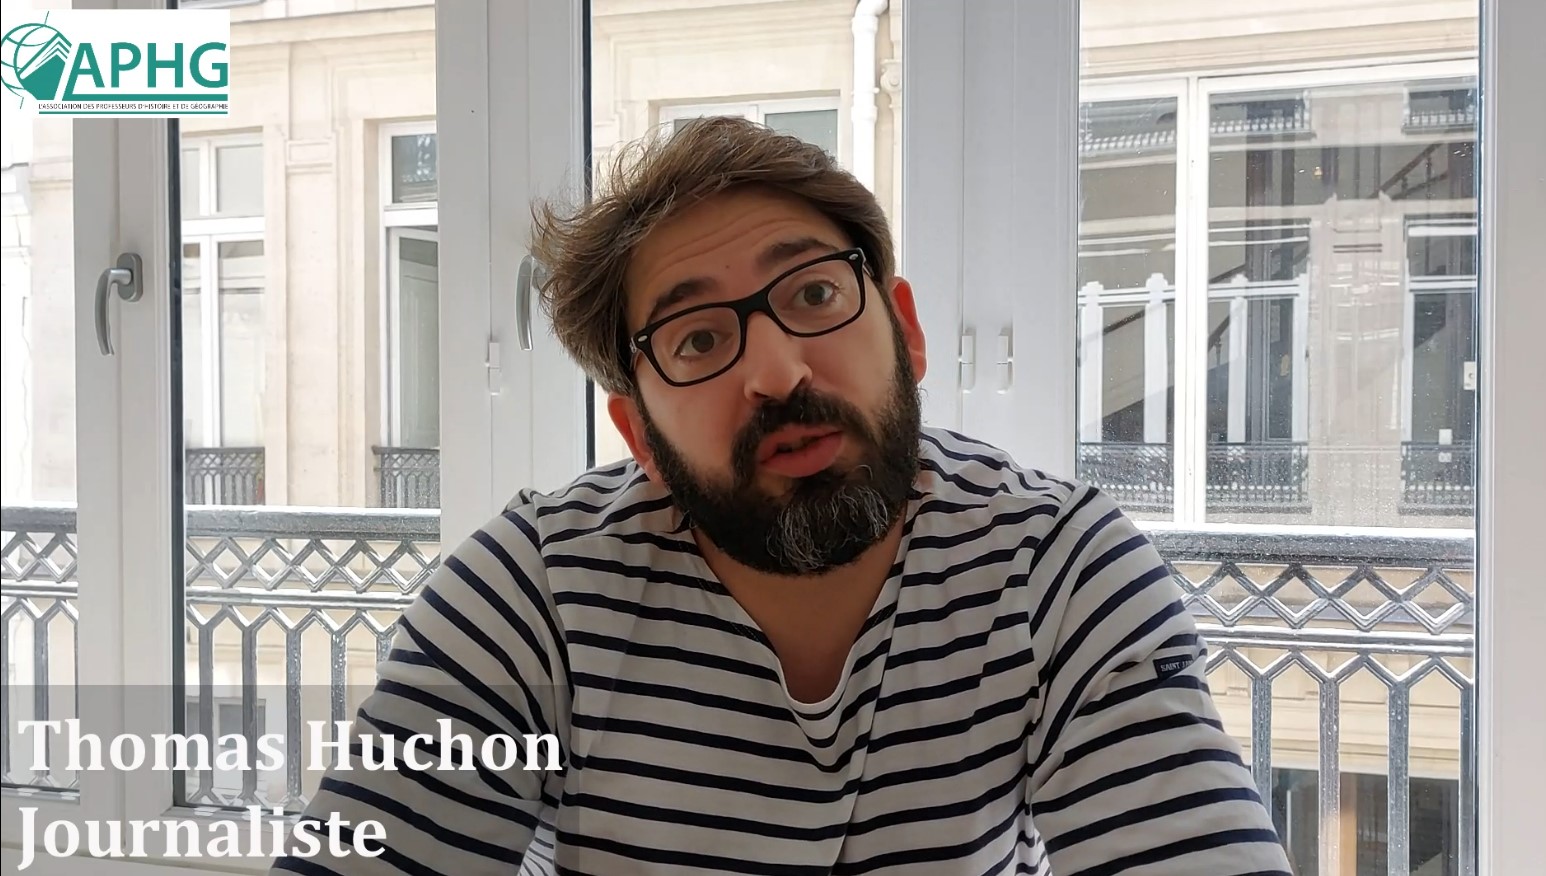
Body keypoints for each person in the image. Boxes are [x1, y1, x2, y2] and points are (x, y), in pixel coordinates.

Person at [270, 116, 1293, 875]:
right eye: (698, 339)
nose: (776, 370)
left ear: (905, 332)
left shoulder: (1053, 567)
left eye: (813, 292)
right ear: (641, 438)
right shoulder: (533, 589)